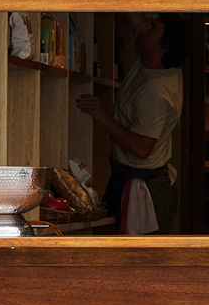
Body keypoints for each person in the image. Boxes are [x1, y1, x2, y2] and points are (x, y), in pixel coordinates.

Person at [76, 13, 190, 233]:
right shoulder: (153, 58)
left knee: (140, 260)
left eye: (153, 28)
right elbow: (134, 17)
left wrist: (102, 116)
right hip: (128, 177)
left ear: (163, 47)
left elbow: (141, 148)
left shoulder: (155, 92)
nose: (145, 27)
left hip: (145, 187)